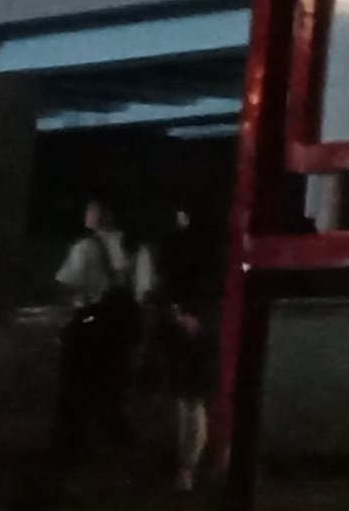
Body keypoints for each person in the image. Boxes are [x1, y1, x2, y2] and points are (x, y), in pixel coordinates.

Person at [52, 198, 141, 470]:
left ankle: (73, 444)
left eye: (90, 211)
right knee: (113, 382)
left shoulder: (85, 248)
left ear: (99, 216)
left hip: (89, 322)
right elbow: (143, 290)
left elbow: (66, 283)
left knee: (77, 384)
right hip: (119, 326)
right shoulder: (132, 248)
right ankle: (114, 437)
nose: (86, 215)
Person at [139, 205, 220, 492]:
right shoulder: (211, 247)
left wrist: (183, 313)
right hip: (199, 327)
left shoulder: (182, 249)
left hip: (189, 328)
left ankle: (187, 468)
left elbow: (173, 286)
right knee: (192, 400)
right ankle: (191, 464)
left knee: (189, 400)